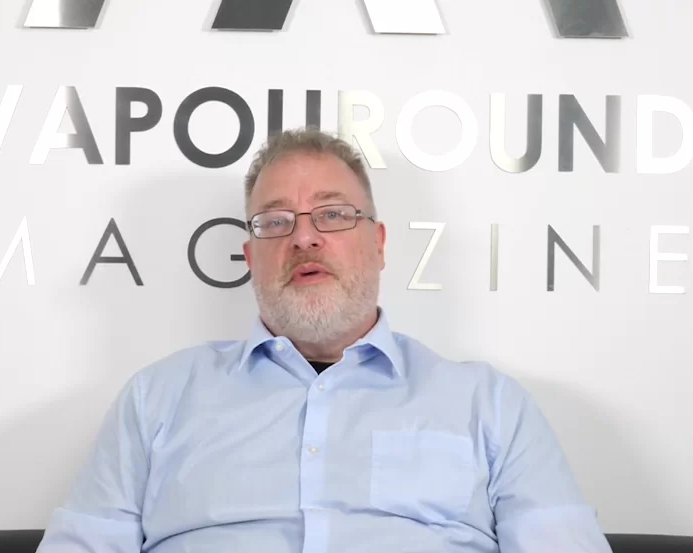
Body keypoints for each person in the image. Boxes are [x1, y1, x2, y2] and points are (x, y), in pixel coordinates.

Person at [35, 128, 612, 553]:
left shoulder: (489, 405)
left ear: (379, 243)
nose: (305, 238)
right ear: (250, 256)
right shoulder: (156, 398)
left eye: (333, 215)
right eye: (275, 222)